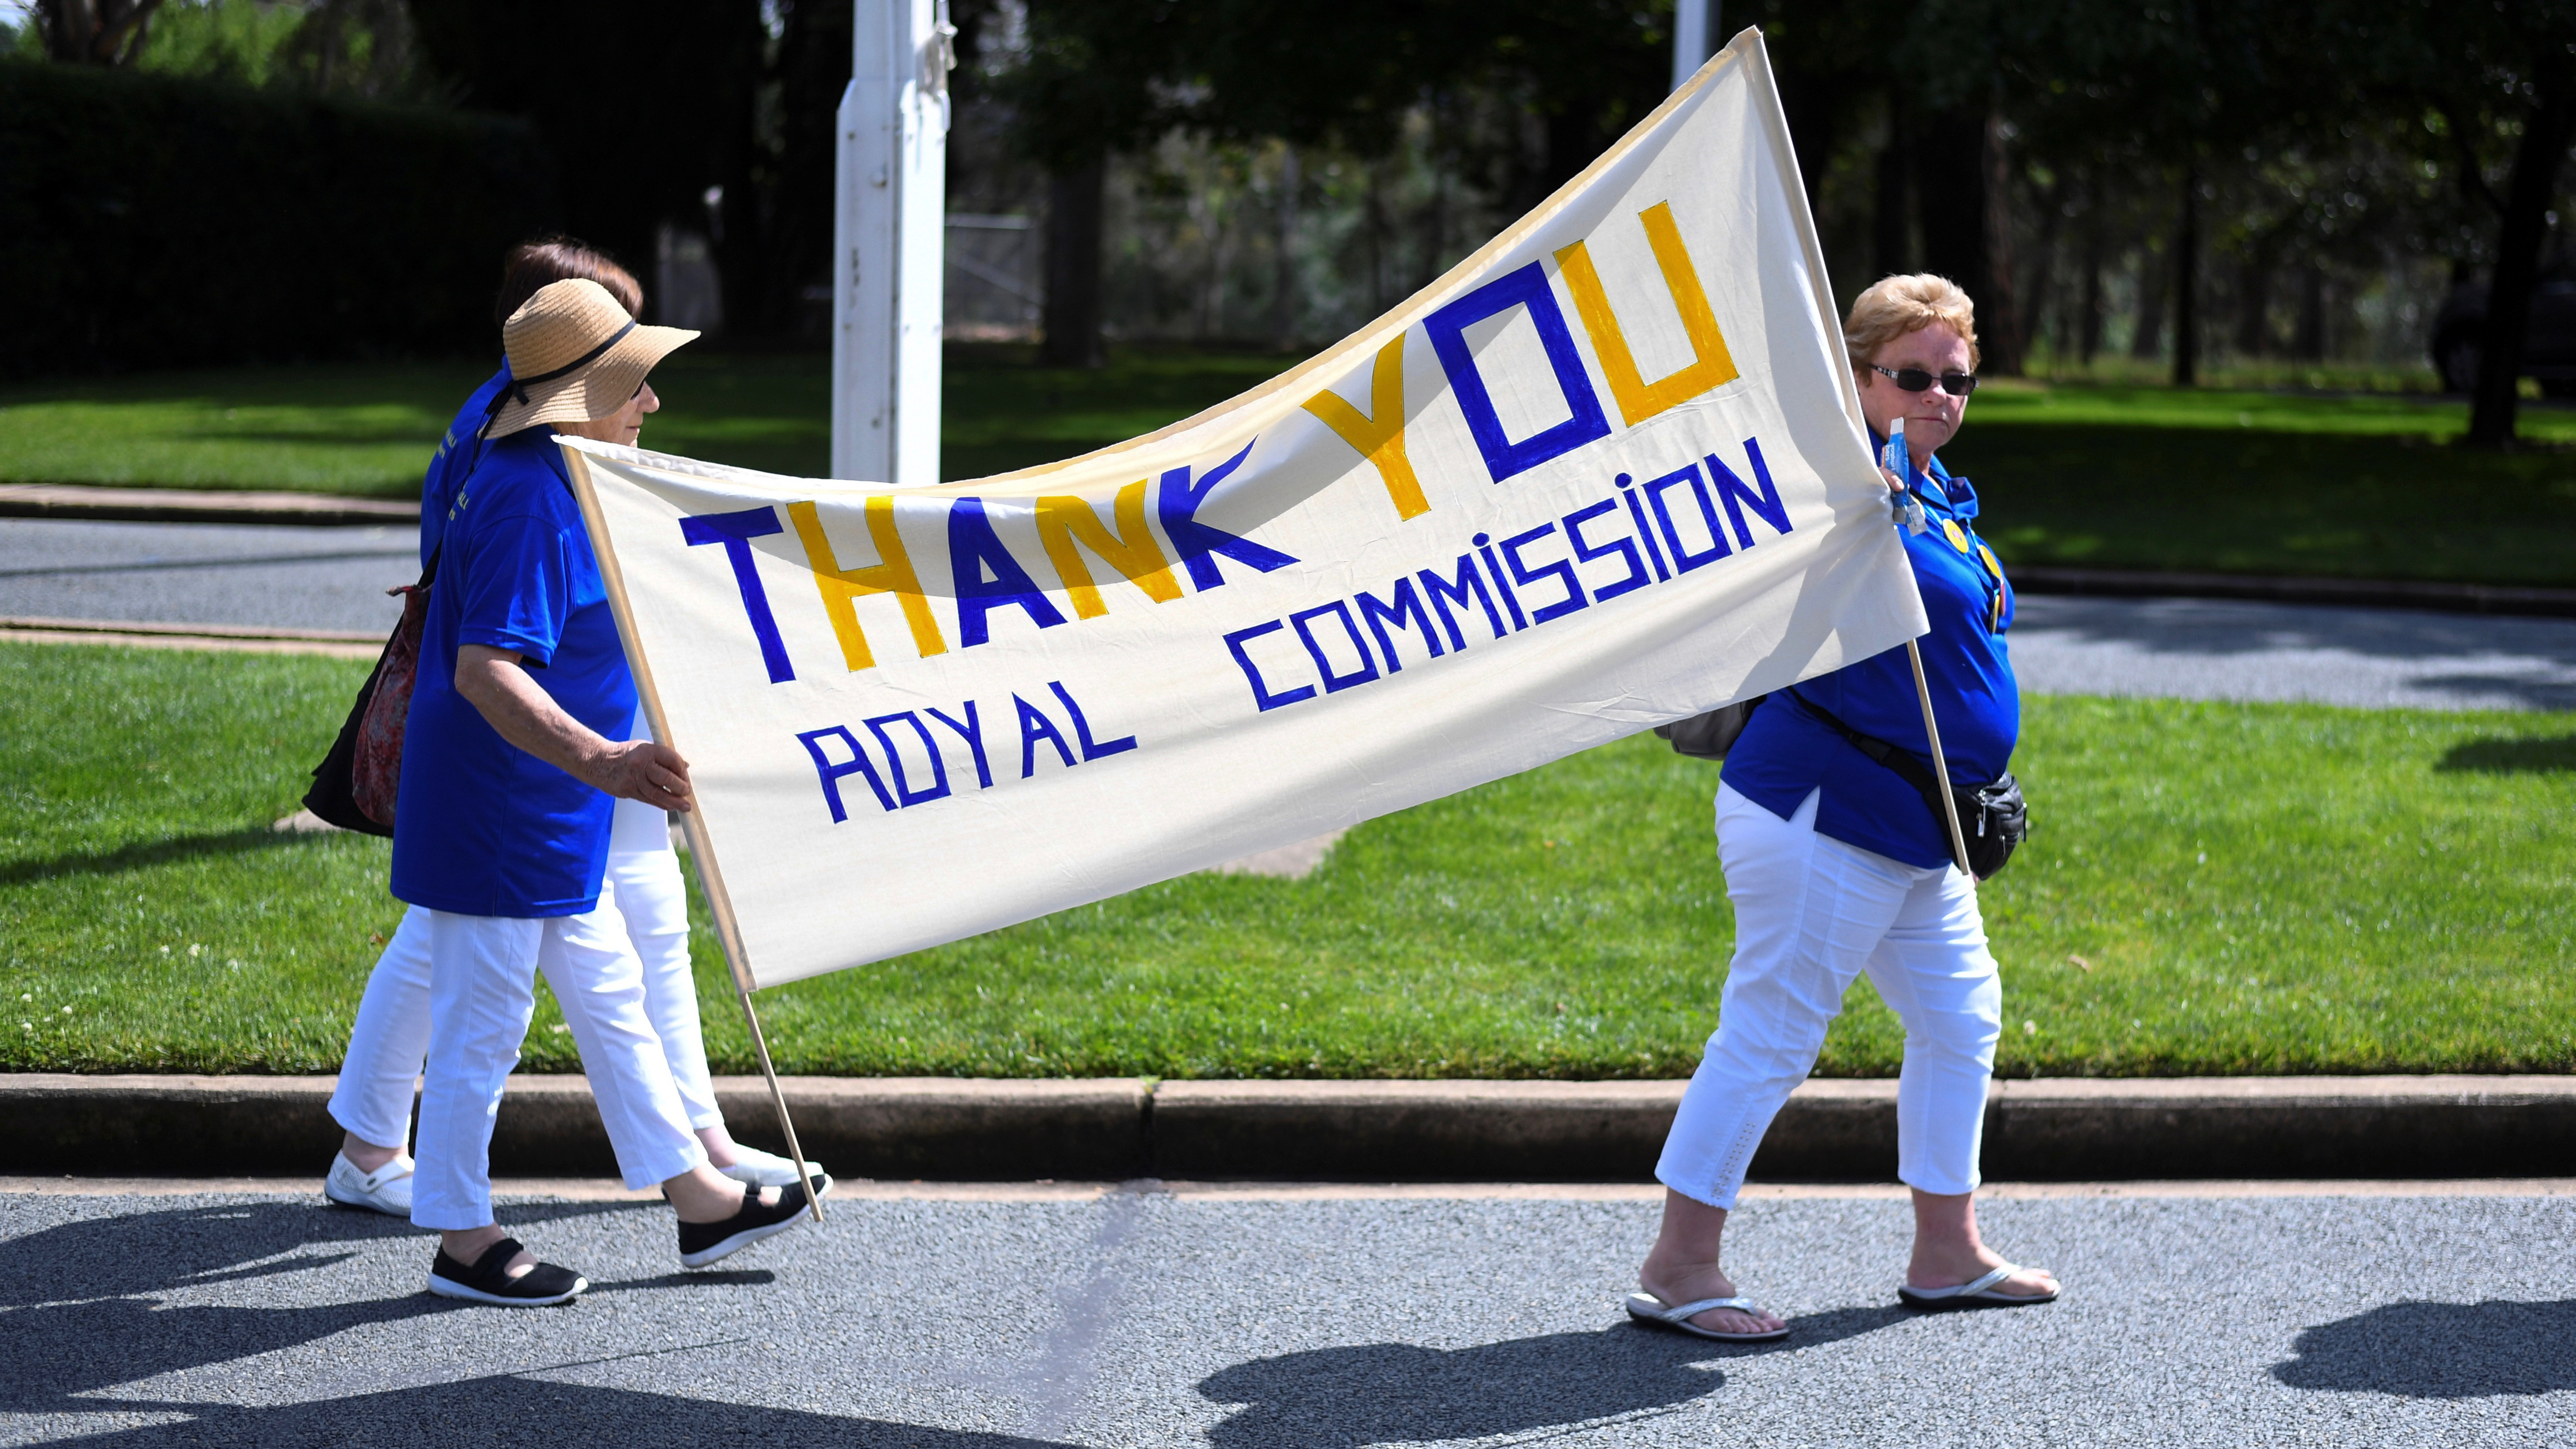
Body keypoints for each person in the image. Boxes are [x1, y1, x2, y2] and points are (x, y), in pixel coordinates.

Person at [325, 240, 820, 1225]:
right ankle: (459, 1232)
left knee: (600, 976)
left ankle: (698, 1188)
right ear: (578, 387)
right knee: (489, 1022)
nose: (653, 403)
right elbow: (487, 667)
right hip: (522, 786)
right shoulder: (532, 492)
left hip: (551, 785)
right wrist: (608, 760)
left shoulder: (528, 452)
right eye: (634, 381)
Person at [1626, 274, 2056, 1341]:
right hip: (1821, 809)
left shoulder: (1937, 494)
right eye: (1911, 377)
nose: (1939, 396)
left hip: (1922, 827)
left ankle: (1946, 1251)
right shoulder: (1831, 488)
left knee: (1961, 1021)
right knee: (1772, 1031)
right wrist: (1854, 479)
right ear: (1857, 378)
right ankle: (1680, 1266)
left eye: (1957, 378)